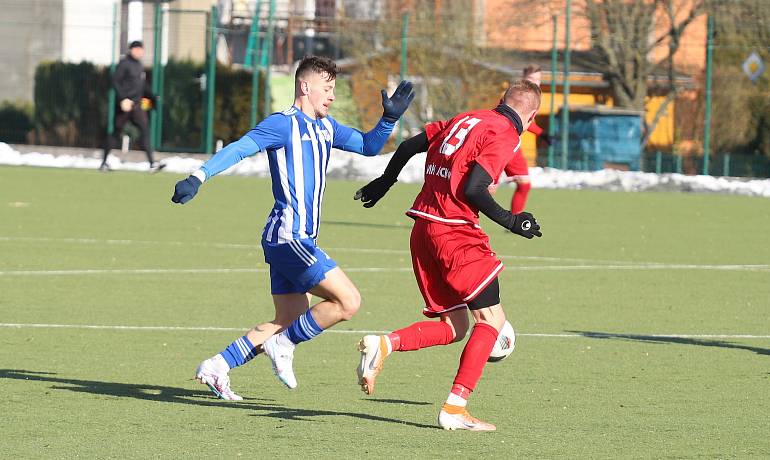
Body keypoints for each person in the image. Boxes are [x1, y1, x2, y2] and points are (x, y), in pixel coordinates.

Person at [170, 56, 414, 400]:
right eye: (327, 89)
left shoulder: (327, 127)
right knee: (348, 301)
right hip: (289, 236)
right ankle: (282, 346)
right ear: (305, 86)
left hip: (291, 238)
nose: (331, 96)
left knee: (289, 318)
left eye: (334, 90)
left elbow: (369, 146)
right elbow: (240, 148)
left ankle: (218, 366)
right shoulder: (282, 124)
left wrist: (389, 119)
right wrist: (198, 177)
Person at [353, 79, 542, 431]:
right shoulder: (505, 133)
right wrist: (512, 221)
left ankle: (384, 344)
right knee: (491, 322)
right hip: (454, 232)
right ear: (530, 117)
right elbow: (474, 188)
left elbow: (410, 144)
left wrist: (386, 180)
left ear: (501, 100)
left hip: (423, 228)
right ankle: (455, 408)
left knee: (455, 326)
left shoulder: (466, 117)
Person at [492, 65, 551, 214]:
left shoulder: (532, 96)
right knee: (487, 187)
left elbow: (525, 123)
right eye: (532, 79)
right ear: (523, 78)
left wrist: (542, 134)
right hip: (500, 145)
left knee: (524, 184)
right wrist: (541, 133)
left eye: (538, 80)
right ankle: (462, 217)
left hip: (512, 145)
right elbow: (512, 120)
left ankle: (515, 220)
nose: (536, 83)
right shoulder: (515, 96)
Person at [100, 40, 163, 172]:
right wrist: (123, 99)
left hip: (137, 106)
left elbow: (141, 85)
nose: (141, 52)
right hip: (125, 106)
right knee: (116, 132)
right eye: (138, 49)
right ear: (132, 50)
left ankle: (152, 163)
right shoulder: (124, 64)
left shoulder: (139, 65)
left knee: (145, 130)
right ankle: (104, 163)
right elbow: (115, 81)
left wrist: (152, 95)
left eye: (142, 49)